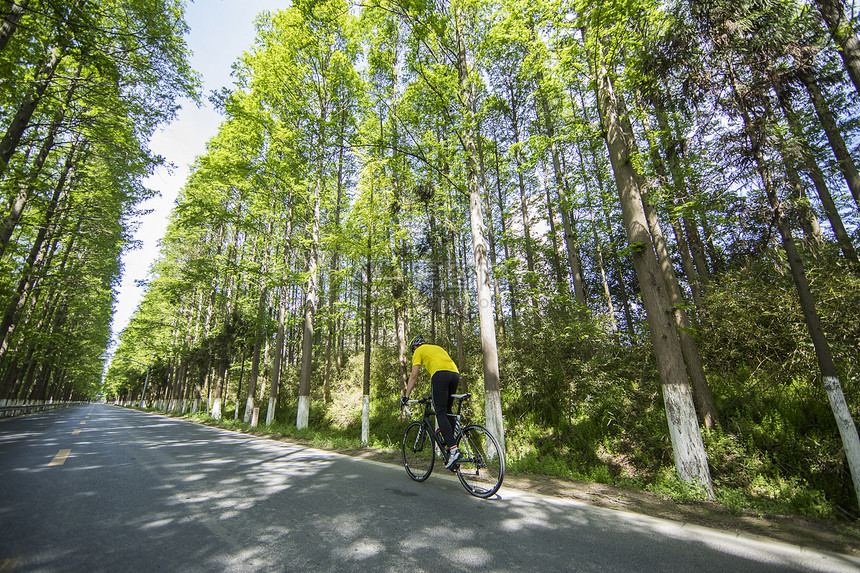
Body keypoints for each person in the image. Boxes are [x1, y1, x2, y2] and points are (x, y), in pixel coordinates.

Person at [400, 335, 461, 469]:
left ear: (414, 347)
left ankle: (453, 449)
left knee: (440, 412)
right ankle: (451, 441)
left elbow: (413, 375)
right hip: (455, 375)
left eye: (413, 350)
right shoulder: (437, 348)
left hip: (440, 375)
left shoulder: (418, 351)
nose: (413, 352)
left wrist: (406, 395)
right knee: (447, 411)